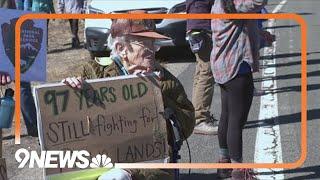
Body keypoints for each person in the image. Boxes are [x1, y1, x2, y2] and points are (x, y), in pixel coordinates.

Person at [63, 10, 195, 180]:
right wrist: (70, 89)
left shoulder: (164, 80)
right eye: (144, 43)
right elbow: (62, 120)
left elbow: (188, 122)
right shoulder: (92, 74)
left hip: (149, 163)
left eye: (153, 43)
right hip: (102, 163)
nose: (152, 50)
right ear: (121, 49)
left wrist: (158, 97)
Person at [211, 0, 267, 179]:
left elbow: (236, 26)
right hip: (237, 68)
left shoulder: (220, 3)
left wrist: (260, 33)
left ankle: (224, 162)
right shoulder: (236, 3)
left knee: (227, 116)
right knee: (236, 121)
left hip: (221, 65)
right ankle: (239, 171)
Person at [186, 0, 218, 135]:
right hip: (202, 26)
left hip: (196, 26)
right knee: (206, 71)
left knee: (201, 71)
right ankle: (200, 119)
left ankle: (196, 116)